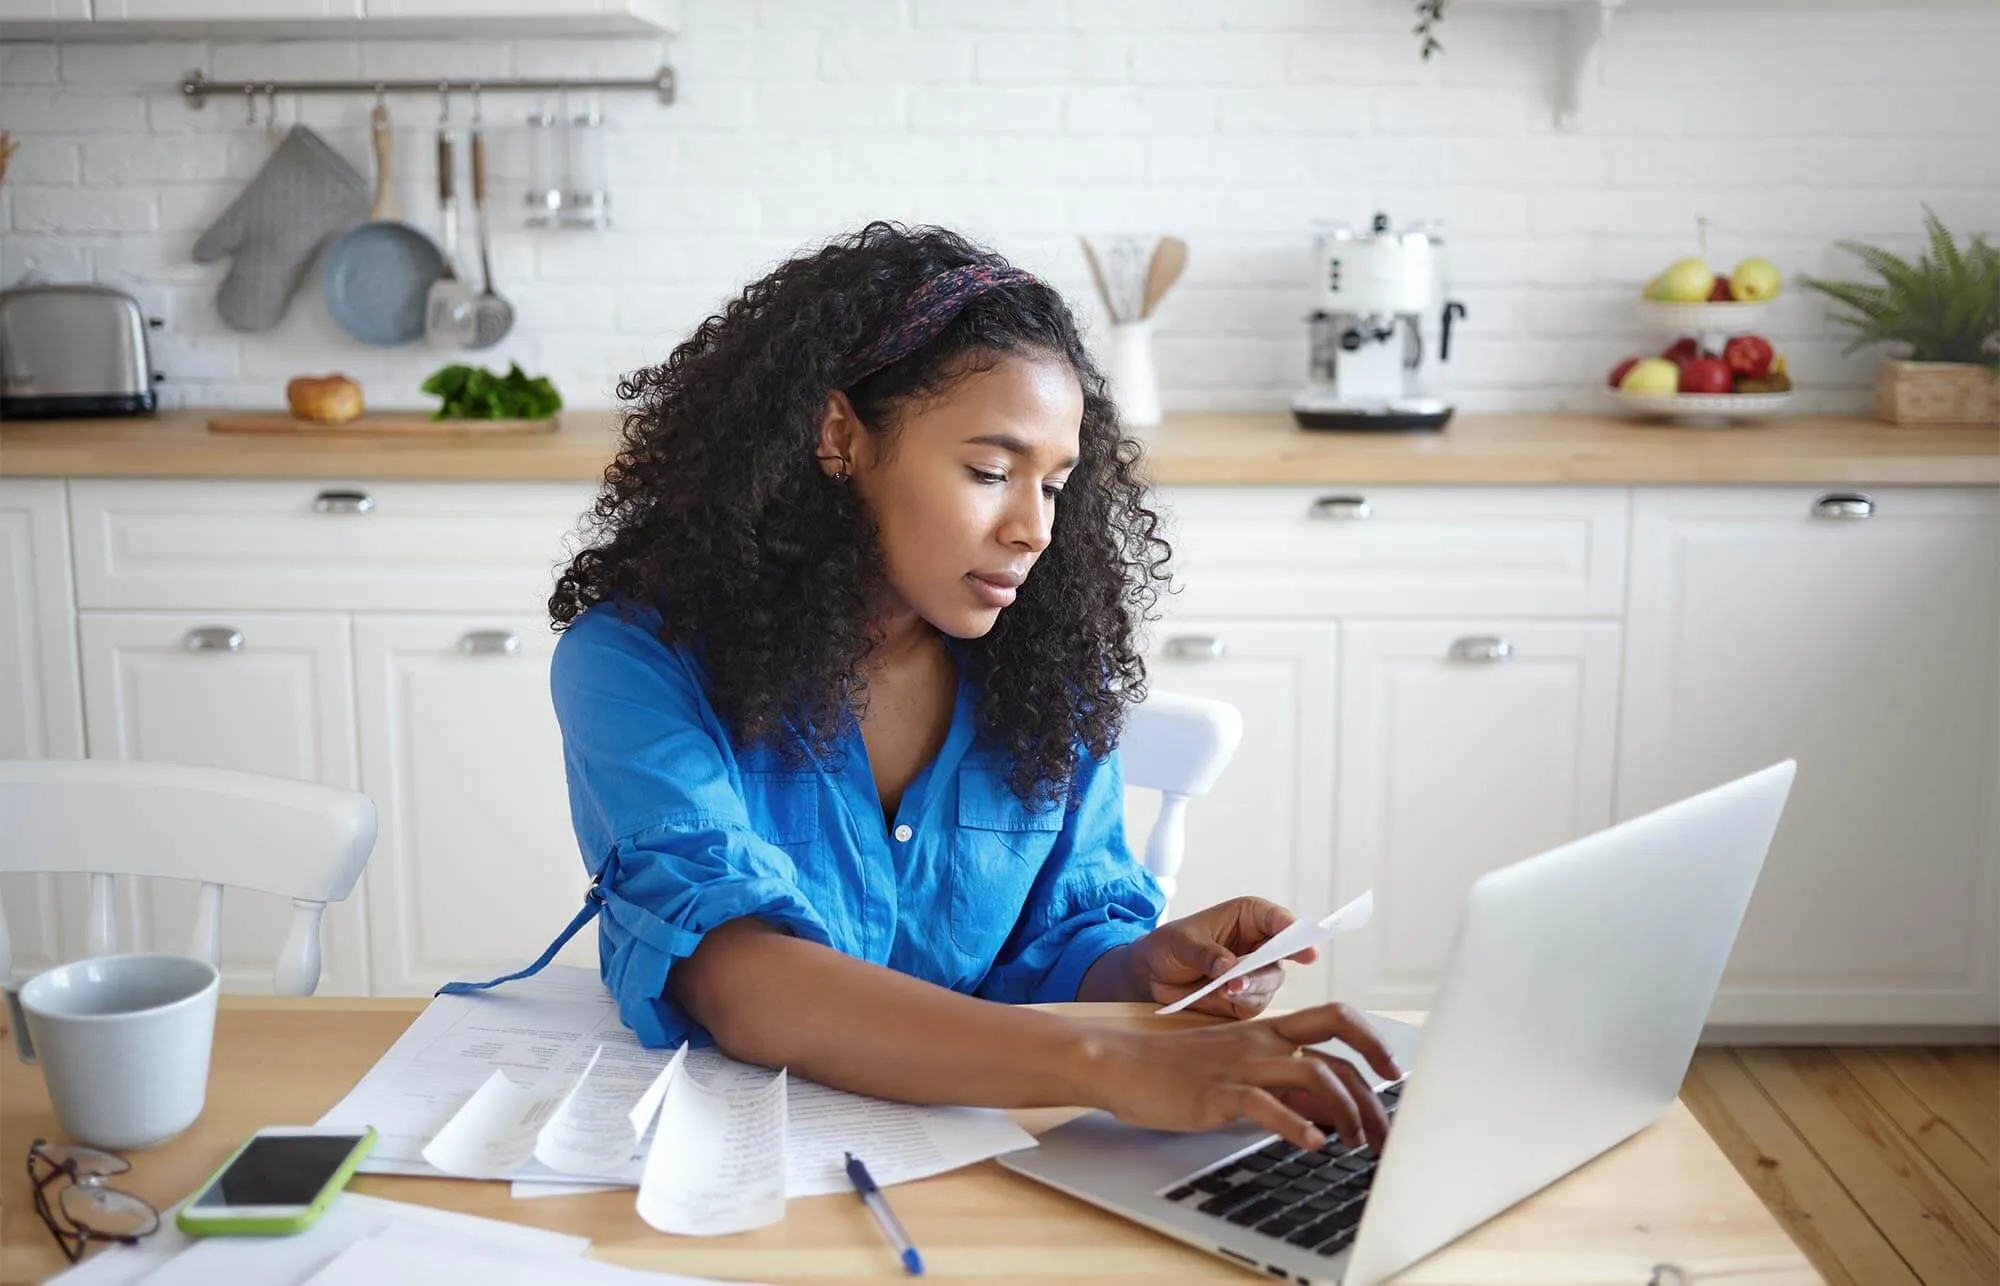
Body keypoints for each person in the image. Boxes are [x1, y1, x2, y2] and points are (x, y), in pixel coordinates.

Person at [533, 222, 1399, 1154]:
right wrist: (1109, 1062)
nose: (1034, 529)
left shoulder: (1049, 677)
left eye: (1056, 486)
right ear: (840, 439)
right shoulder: (634, 663)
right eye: (991, 471)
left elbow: (1056, 952)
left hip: (991, 1158)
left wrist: (1143, 973)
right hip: (732, 1161)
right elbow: (737, 980)